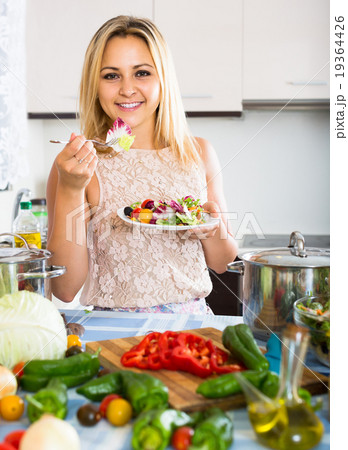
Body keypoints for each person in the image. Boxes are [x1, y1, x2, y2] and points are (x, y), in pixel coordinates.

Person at [46, 15, 238, 313]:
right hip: (113, 332)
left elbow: (223, 262)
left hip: (193, 329)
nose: (127, 89)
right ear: (94, 85)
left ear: (163, 79)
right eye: (111, 75)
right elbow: (65, 288)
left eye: (142, 73)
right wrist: (72, 189)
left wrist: (211, 229)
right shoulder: (75, 167)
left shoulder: (198, 152)